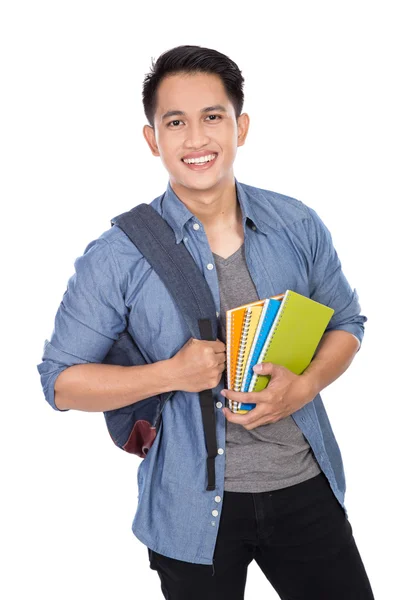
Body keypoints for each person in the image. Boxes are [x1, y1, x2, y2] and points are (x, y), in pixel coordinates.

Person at [37, 45, 375, 599]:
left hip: (306, 485)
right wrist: (171, 373)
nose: (196, 140)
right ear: (153, 139)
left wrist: (304, 387)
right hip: (191, 510)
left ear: (240, 126)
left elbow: (347, 321)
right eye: (176, 122)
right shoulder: (118, 255)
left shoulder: (297, 223)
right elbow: (60, 382)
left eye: (212, 117)